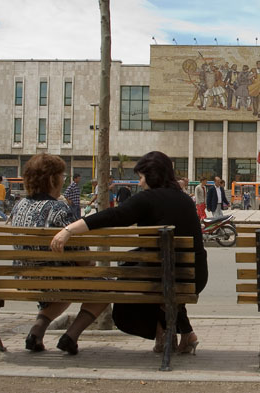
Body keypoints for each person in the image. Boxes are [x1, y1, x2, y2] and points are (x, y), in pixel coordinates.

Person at [51, 151, 208, 355]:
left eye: (141, 178)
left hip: (160, 278)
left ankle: (163, 334)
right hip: (195, 277)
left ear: (151, 176)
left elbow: (113, 215)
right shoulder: (186, 201)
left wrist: (69, 229)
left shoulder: (148, 198)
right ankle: (184, 335)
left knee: (141, 283)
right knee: (164, 279)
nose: (140, 183)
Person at [13, 153, 108, 355]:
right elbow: (80, 256)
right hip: (58, 279)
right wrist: (90, 265)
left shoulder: (18, 207)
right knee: (106, 285)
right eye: (62, 176)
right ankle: (71, 336)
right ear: (51, 179)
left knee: (64, 286)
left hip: (26, 278)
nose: (63, 181)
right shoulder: (59, 209)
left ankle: (37, 331)